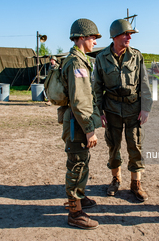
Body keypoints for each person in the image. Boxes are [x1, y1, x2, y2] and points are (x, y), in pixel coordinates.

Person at [93, 19, 153, 202]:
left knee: (135, 144)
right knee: (114, 145)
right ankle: (115, 179)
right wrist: (100, 112)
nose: (129, 37)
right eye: (126, 34)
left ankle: (136, 183)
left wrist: (145, 108)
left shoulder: (136, 56)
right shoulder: (101, 58)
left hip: (133, 108)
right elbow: (96, 87)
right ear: (115, 36)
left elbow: (144, 83)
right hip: (111, 109)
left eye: (130, 34)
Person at [62, 18, 102, 229]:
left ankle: (80, 197)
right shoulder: (77, 63)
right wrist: (89, 129)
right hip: (77, 124)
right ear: (82, 38)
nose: (95, 41)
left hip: (77, 121)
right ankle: (75, 213)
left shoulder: (80, 60)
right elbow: (80, 100)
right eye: (93, 37)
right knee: (76, 165)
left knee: (82, 161)